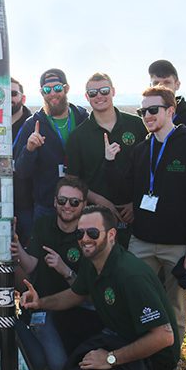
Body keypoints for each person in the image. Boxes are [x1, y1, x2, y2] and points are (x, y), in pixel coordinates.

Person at [21, 205, 179, 370]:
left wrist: (110, 358)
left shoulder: (130, 275)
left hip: (154, 358)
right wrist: (40, 303)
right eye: (80, 233)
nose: (85, 238)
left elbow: (163, 337)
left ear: (112, 234)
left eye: (93, 233)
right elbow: (74, 295)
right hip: (120, 337)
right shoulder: (93, 262)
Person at [104, 85, 186, 343]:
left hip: (177, 245)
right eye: (143, 111)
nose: (147, 116)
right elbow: (123, 191)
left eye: (153, 110)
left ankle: (171, 360)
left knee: (174, 304)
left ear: (171, 111)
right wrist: (110, 162)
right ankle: (140, 351)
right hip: (141, 241)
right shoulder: (142, 150)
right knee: (135, 296)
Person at [11, 177, 102, 370]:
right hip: (45, 304)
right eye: (62, 201)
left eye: (74, 202)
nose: (67, 206)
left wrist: (65, 270)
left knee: (76, 362)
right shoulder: (44, 224)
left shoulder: (90, 235)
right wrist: (16, 244)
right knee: (58, 365)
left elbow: (90, 293)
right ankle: (18, 325)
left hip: (80, 306)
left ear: (84, 205)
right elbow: (32, 264)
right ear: (54, 202)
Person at [66, 72, 147, 247]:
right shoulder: (78, 136)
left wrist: (136, 202)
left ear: (113, 91)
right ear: (87, 97)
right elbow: (73, 181)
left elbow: (151, 168)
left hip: (138, 215)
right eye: (93, 93)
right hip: (97, 219)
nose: (99, 96)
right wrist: (99, 201)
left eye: (104, 90)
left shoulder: (137, 125)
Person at [14, 68, 88, 219]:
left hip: (80, 203)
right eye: (47, 90)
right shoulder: (32, 124)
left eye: (57, 88)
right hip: (47, 205)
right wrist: (29, 149)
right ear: (42, 93)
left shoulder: (83, 118)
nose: (52, 93)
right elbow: (21, 171)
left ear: (66, 88)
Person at [148, 59, 186, 137]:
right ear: (150, 86)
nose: (161, 87)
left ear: (177, 85)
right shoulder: (147, 120)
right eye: (156, 83)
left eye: (167, 82)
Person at [10, 77, 34, 245]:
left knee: (27, 250)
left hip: (27, 203)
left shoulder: (34, 124)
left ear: (23, 98)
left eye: (13, 93)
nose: (8, 98)